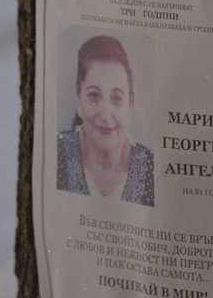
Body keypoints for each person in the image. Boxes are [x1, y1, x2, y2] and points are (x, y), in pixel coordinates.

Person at [57, 35, 155, 206]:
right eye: (94, 95)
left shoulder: (150, 167)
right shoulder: (56, 152)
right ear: (78, 96)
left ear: (130, 104)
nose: (105, 114)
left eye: (116, 98)